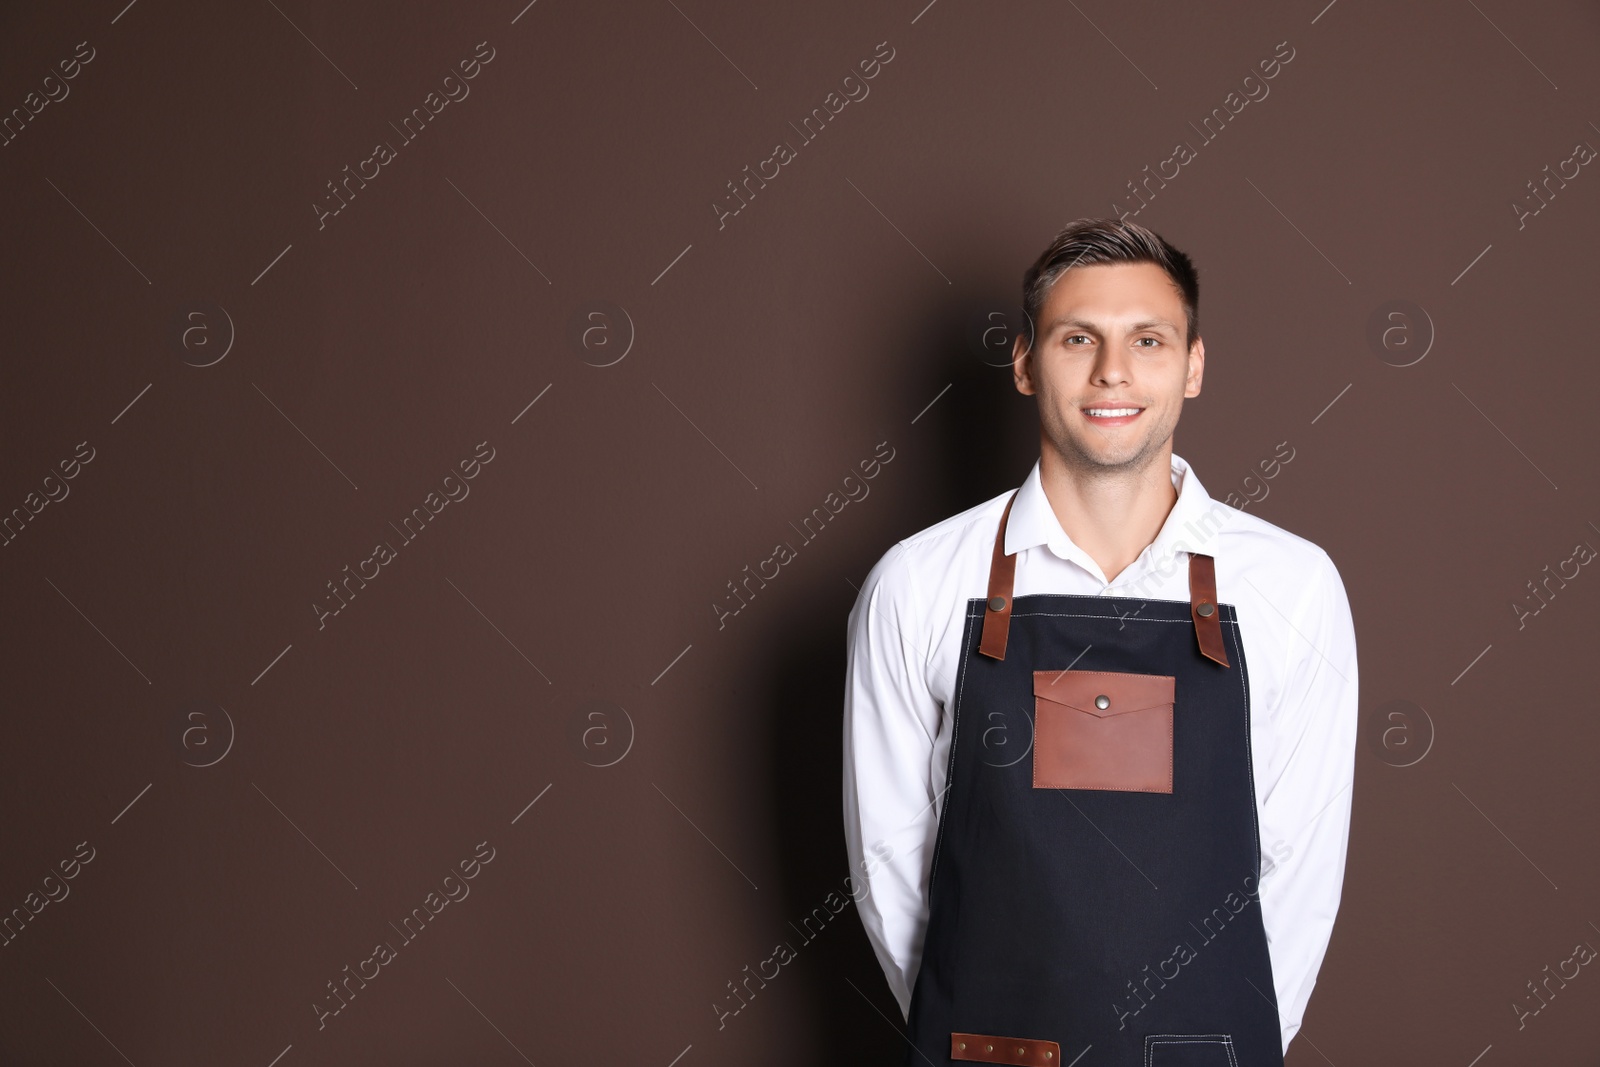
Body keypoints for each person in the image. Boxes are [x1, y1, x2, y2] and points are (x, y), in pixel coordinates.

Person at [841, 218, 1358, 1066]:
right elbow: (888, 863)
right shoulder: (917, 581)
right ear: (1023, 361)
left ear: (1192, 366)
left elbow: (1301, 869)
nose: (1112, 370)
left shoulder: (1293, 585)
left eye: (1147, 340)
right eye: (1078, 338)